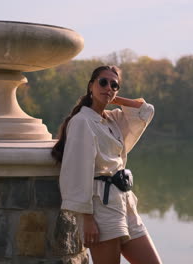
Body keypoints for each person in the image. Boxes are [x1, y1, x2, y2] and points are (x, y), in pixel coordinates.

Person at [52, 65, 162, 264]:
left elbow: (145, 110)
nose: (109, 87)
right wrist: (87, 219)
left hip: (124, 203)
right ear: (90, 85)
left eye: (114, 85)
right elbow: (76, 171)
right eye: (103, 82)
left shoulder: (112, 119)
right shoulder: (82, 121)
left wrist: (111, 97)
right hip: (101, 208)